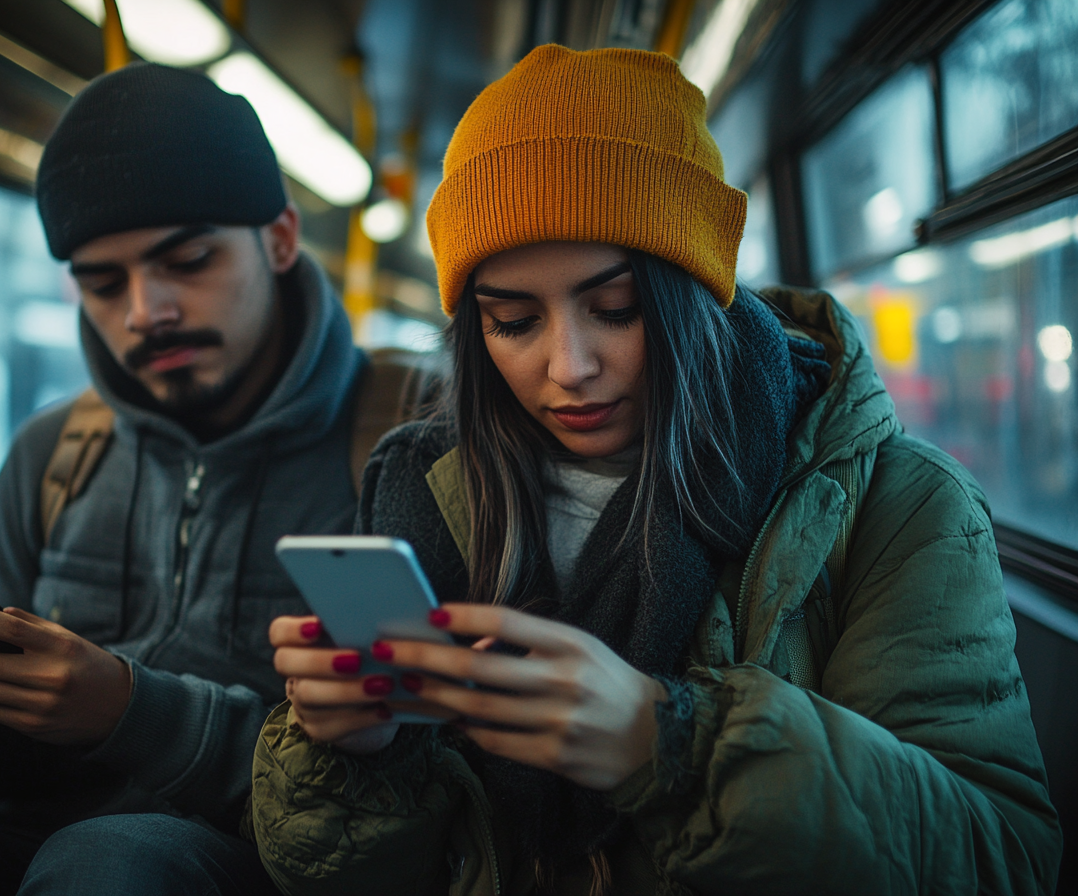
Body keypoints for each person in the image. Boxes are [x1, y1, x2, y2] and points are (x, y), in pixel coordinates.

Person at [250, 46, 1062, 895]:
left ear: (693, 290)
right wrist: (345, 760)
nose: (569, 366)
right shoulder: (426, 496)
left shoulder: (896, 507)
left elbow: (999, 856)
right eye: (515, 322)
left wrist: (669, 747)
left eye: (617, 309)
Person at [0, 63, 415, 895]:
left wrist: (133, 713)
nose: (145, 310)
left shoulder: (403, 446)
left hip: (273, 862)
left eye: (189, 260)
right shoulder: (55, 452)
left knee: (109, 864)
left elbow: (426, 775)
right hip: (36, 841)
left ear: (279, 237)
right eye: (102, 282)